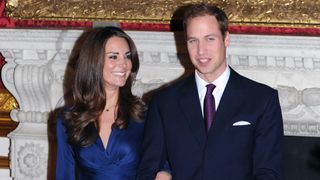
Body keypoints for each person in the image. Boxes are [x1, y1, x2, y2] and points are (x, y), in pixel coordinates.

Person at [137, 3, 283, 180]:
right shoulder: (164, 102)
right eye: (193, 41)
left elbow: (268, 173)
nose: (201, 50)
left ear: (226, 39)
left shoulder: (262, 100)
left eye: (210, 39)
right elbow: (148, 169)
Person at [55, 27, 169, 179]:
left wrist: (164, 174)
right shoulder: (68, 119)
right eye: (113, 57)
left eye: (127, 56)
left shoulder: (145, 114)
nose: (124, 64)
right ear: (93, 61)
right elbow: (64, 174)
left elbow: (166, 165)